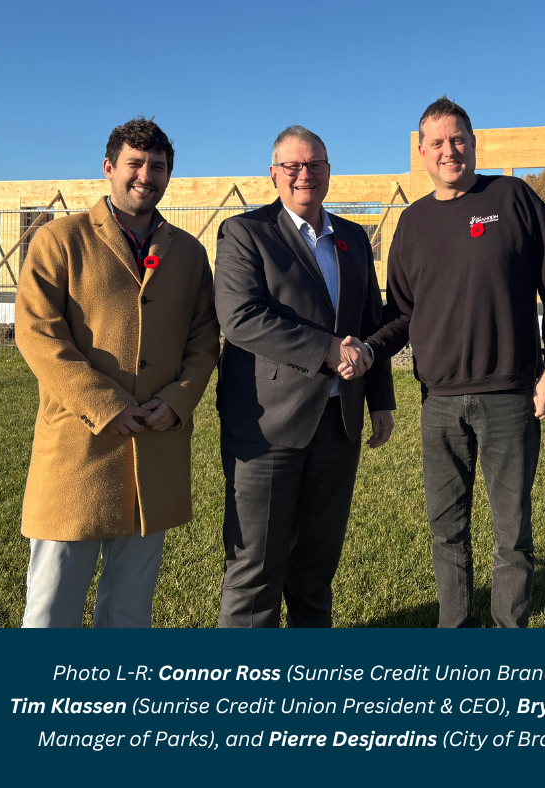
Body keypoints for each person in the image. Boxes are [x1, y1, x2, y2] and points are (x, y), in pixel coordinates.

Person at [359, 97, 545, 628]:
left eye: (458, 140)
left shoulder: (513, 197)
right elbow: (402, 314)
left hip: (510, 396)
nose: (448, 151)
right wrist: (366, 350)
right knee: (447, 530)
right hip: (438, 404)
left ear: (474, 143)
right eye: (437, 142)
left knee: (513, 533)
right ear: (420, 151)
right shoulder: (410, 224)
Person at [16, 117, 220, 627]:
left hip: (154, 449)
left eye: (157, 166)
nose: (145, 175)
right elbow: (39, 336)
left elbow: (203, 340)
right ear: (108, 168)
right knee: (51, 609)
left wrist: (177, 401)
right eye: (135, 163)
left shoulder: (191, 254)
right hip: (77, 451)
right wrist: (107, 406)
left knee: (130, 613)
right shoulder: (59, 240)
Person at [214, 125, 395, 628]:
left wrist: (379, 398)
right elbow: (240, 317)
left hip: (339, 426)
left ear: (329, 172)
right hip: (267, 428)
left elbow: (369, 323)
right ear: (273, 174)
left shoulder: (354, 238)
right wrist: (327, 350)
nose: (304, 175)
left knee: (316, 572)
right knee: (255, 572)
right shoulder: (245, 233)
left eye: (315, 164)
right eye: (292, 166)